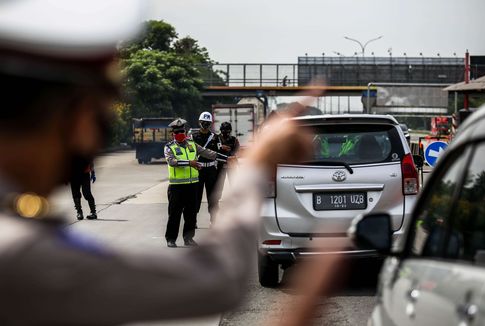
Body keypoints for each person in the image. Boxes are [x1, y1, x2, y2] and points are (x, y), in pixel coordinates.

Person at [0, 1, 321, 324]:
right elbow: (216, 278)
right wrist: (257, 166)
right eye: (101, 116)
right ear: (80, 119)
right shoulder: (22, 255)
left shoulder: (18, 221)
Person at [164, 118, 230, 247]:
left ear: (185, 132)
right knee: (174, 214)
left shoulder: (192, 144)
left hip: (192, 185)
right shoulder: (169, 147)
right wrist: (190, 163)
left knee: (191, 214)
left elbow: (209, 153)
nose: (180, 134)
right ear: (173, 134)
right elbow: (172, 162)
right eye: (177, 132)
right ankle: (171, 239)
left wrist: (227, 158)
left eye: (182, 131)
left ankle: (188, 238)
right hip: (177, 187)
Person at [190, 111, 227, 222]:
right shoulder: (192, 137)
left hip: (211, 170)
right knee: (196, 197)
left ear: (210, 123)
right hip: (198, 169)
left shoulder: (215, 138)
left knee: (213, 197)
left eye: (207, 122)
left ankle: (213, 220)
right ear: (199, 122)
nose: (205, 124)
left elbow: (219, 154)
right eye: (203, 122)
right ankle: (193, 220)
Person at [216, 121, 240, 200]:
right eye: (224, 130)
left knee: (234, 181)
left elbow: (236, 149)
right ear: (221, 130)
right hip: (220, 164)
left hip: (231, 164)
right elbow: (213, 150)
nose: (225, 132)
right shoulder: (217, 138)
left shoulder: (234, 140)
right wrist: (221, 148)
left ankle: (236, 197)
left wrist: (230, 154)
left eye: (227, 130)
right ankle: (217, 197)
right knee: (219, 183)